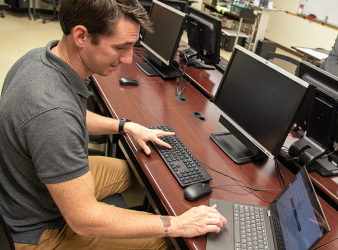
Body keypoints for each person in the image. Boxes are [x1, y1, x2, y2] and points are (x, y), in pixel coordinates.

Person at [0, 0, 227, 249]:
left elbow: (74, 116)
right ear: (81, 36)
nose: (129, 58)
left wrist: (125, 126)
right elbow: (83, 220)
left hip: (27, 187)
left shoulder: (39, 59)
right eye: (121, 47)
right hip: (42, 230)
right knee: (168, 242)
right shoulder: (53, 112)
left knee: (133, 171)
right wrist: (176, 224)